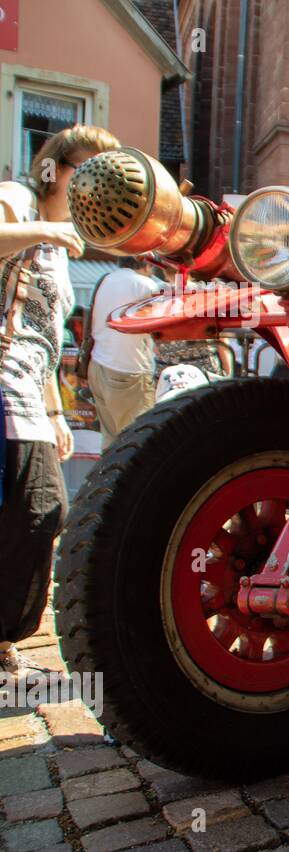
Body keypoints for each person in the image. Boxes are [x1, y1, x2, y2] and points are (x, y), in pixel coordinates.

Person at [0, 124, 120, 678]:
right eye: (88, 169)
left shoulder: (62, 240)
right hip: (2, 383)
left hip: (28, 389)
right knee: (31, 513)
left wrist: (53, 410)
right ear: (56, 165)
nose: (97, 183)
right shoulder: (20, 198)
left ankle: (3, 641)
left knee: (41, 513)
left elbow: (46, 334)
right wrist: (43, 228)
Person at [86, 257, 161, 447]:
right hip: (128, 371)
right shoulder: (144, 284)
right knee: (138, 444)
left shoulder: (107, 279)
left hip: (98, 365)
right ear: (145, 262)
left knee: (111, 441)